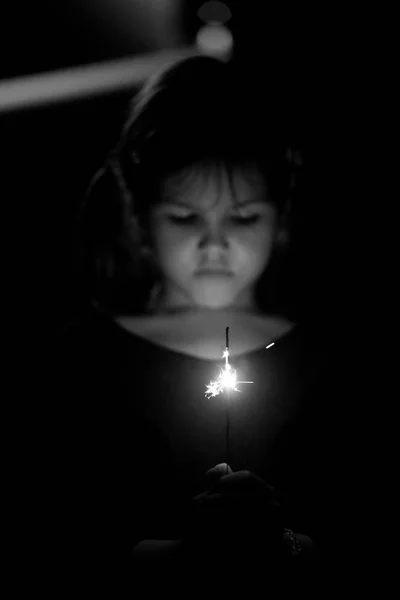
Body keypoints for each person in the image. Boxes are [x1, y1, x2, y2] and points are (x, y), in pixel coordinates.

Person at [50, 55, 334, 593]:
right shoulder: (80, 359)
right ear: (139, 216)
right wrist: (181, 556)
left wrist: (283, 548)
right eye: (184, 218)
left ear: (281, 220)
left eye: (244, 217)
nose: (214, 243)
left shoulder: (327, 357)